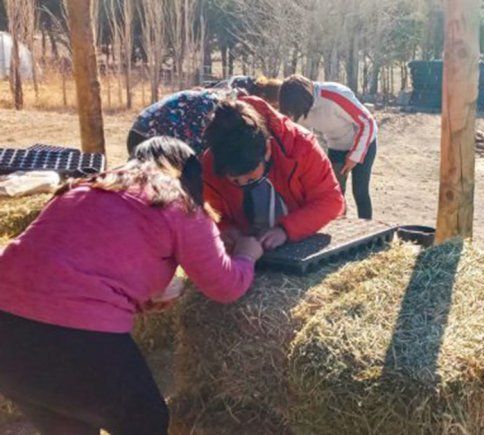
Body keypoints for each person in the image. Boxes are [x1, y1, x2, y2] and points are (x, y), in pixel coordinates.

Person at [0, 137, 262, 435]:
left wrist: (138, 300)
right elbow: (225, 286)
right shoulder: (178, 201)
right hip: (76, 339)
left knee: (69, 423)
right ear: (190, 174)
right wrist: (247, 254)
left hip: (6, 337)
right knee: (145, 420)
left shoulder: (84, 188)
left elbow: (75, 264)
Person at [202, 97, 344, 250]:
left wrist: (285, 230)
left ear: (268, 150)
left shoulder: (301, 147)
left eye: (251, 177)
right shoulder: (211, 162)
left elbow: (331, 201)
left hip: (295, 244)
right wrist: (226, 229)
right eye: (235, 181)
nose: (244, 184)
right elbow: (208, 212)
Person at [279, 74, 378, 219]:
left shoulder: (335, 95)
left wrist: (355, 156)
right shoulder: (298, 107)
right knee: (335, 192)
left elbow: (367, 122)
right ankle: (339, 226)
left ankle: (370, 233)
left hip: (364, 143)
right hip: (336, 145)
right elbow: (303, 135)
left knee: (360, 191)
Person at [127, 88, 224, 156]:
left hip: (136, 133)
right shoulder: (207, 104)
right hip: (149, 143)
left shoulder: (201, 97)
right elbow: (198, 147)